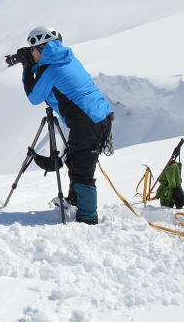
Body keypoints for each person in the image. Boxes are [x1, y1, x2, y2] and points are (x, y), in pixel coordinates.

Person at [19, 25, 114, 224]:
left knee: (82, 169)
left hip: (88, 122)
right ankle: (75, 201)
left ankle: (88, 219)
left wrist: (27, 69)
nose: (31, 53)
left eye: (33, 50)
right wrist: (34, 65)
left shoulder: (51, 70)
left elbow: (35, 97)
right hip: (100, 115)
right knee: (74, 159)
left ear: (42, 48)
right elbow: (50, 73)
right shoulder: (67, 58)